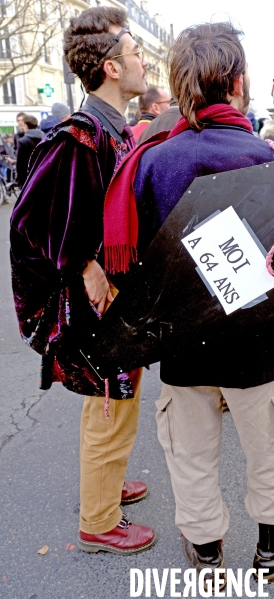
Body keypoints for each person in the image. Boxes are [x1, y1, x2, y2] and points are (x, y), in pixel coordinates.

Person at [105, 21, 274, 589]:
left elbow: (134, 266)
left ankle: (207, 556)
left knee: (191, 457)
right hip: (256, 348)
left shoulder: (152, 164)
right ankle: (273, 550)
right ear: (238, 82)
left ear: (181, 83)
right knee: (269, 447)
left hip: (184, 348)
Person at [10, 6, 156, 556]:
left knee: (118, 397)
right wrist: (84, 265)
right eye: (135, 53)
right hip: (95, 300)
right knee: (109, 403)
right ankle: (98, 521)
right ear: (112, 69)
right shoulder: (81, 135)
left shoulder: (107, 129)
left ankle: (108, 485)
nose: (143, 61)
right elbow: (29, 217)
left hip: (112, 293)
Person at [15, 115, 44, 187]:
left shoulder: (22, 141)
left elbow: (20, 165)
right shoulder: (45, 138)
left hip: (29, 178)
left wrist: (20, 182)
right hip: (43, 174)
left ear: (26, 126)